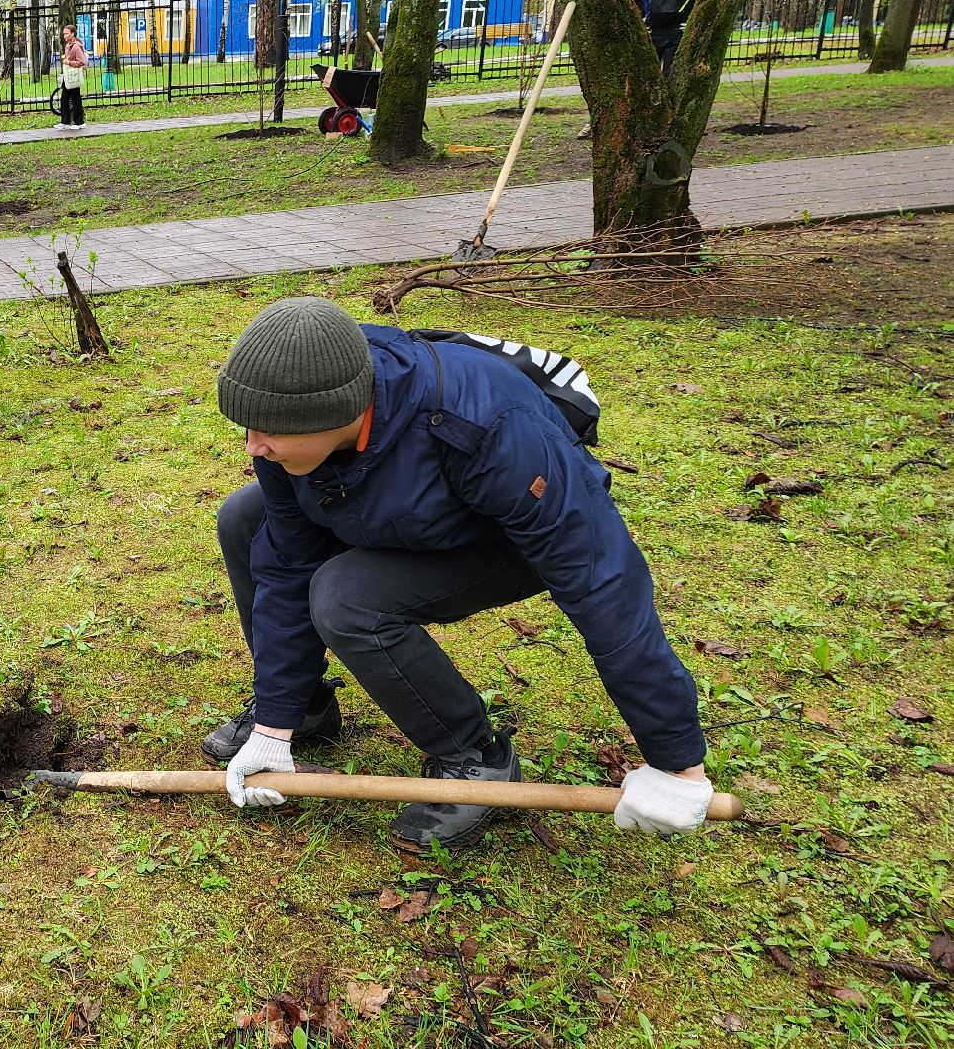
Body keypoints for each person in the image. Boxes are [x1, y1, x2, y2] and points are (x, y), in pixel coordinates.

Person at [204, 298, 714, 850]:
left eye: (268, 431)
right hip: (389, 502)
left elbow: (603, 584)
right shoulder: (292, 409)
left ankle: (476, 759)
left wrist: (676, 762)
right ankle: (305, 710)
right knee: (245, 520)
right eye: (249, 426)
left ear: (337, 412)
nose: (253, 445)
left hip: (504, 538)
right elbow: (286, 566)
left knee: (347, 598)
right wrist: (274, 723)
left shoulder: (490, 424)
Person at [629, 0, 708, 73]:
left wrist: (641, 15)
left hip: (654, 26)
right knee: (671, 73)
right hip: (680, 27)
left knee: (647, 73)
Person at [57, 24, 87, 131]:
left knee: (75, 98)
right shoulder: (68, 46)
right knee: (65, 98)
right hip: (68, 75)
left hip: (74, 76)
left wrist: (69, 62)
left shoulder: (76, 47)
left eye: (66, 33)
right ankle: (65, 121)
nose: (64, 36)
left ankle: (79, 122)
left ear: (73, 34)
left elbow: (82, 62)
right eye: (64, 34)